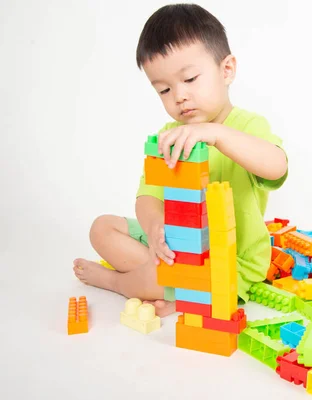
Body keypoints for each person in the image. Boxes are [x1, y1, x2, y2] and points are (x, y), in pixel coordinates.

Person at [73, 3, 288, 317]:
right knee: (101, 228)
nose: (179, 96)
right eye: (164, 89)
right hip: (176, 247)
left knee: (170, 276)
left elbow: (277, 166)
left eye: (190, 79)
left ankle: (119, 283)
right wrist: (155, 228)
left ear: (226, 70)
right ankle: (161, 281)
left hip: (228, 263)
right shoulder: (168, 136)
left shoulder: (247, 128)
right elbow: (147, 196)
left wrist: (216, 134)